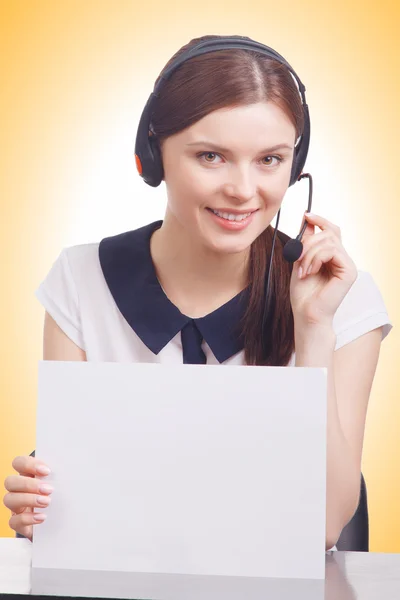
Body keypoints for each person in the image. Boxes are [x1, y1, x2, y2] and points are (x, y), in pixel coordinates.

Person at [3, 34, 392, 551]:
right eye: (211, 156)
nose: (243, 189)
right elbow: (76, 507)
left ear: (295, 167)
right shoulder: (81, 280)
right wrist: (45, 511)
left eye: (270, 160)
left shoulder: (341, 296)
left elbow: (322, 527)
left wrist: (314, 330)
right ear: (153, 156)